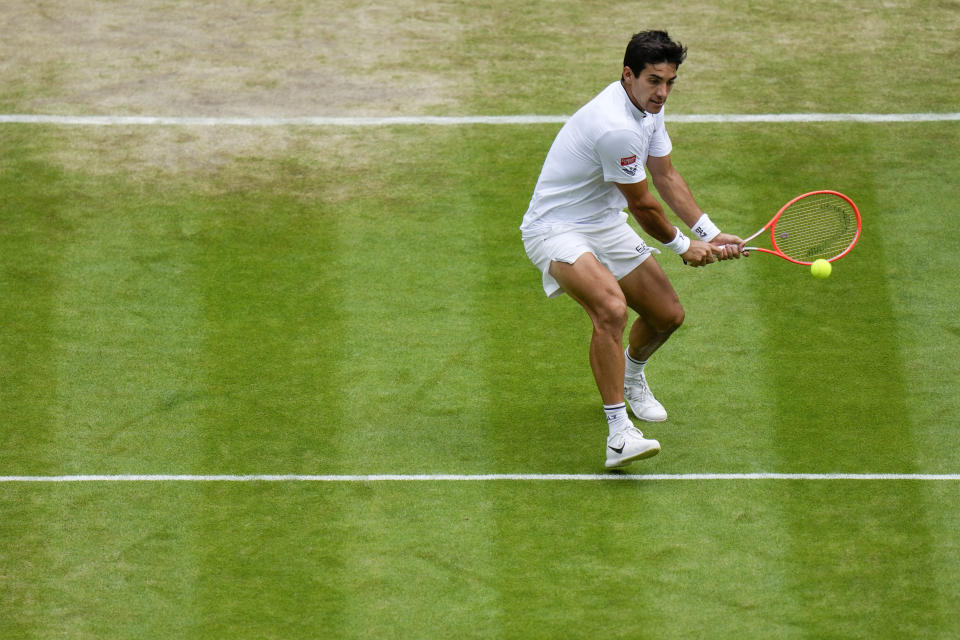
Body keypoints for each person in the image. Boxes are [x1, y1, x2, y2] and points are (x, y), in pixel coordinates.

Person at [520, 30, 744, 469]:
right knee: (611, 309)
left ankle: (632, 376)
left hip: (602, 224)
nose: (662, 92)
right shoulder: (616, 127)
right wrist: (683, 246)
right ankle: (619, 434)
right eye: (654, 80)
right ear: (629, 75)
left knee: (666, 316)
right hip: (557, 229)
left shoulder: (646, 109)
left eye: (670, 82)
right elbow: (642, 205)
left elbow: (666, 176)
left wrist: (709, 233)